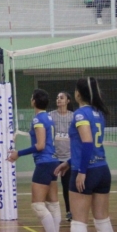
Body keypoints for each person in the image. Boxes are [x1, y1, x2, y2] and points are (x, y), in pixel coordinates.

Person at [54, 78, 117, 232]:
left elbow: (88, 142)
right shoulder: (99, 113)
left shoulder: (81, 114)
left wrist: (80, 170)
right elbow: (89, 146)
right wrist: (69, 162)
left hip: (87, 171)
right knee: (103, 220)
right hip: (102, 170)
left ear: (79, 95)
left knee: (78, 222)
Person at [8, 89, 62, 232]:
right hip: (53, 161)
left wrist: (18, 153)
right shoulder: (49, 118)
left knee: (38, 205)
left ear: (33, 101)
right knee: (53, 203)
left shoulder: (39, 119)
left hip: (44, 163)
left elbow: (39, 145)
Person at [49, 92, 73, 222]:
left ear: (68, 101)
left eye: (61, 97)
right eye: (57, 97)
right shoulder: (50, 116)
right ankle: (51, 213)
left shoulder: (73, 117)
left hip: (68, 157)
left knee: (67, 186)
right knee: (50, 185)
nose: (58, 99)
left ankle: (69, 211)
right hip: (54, 156)